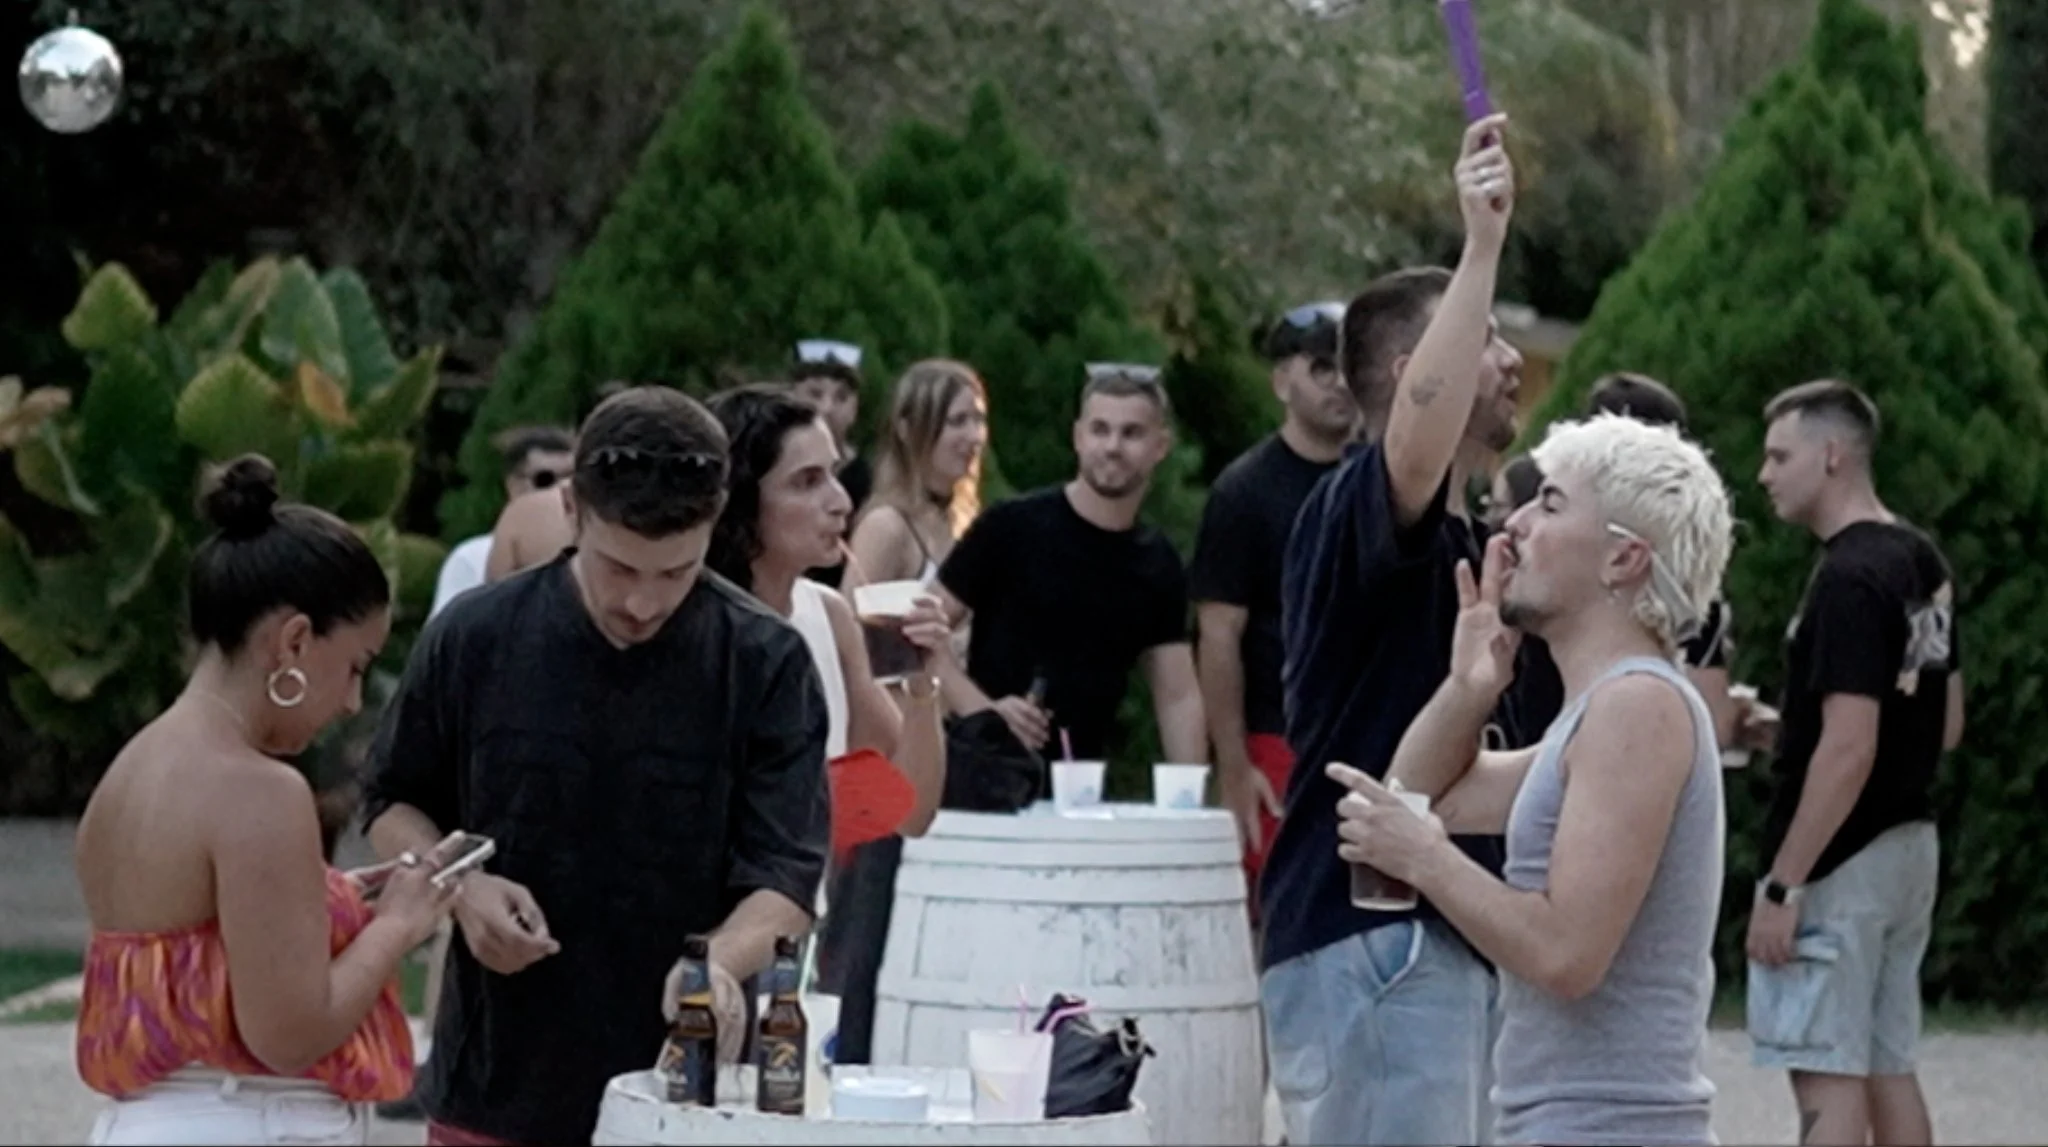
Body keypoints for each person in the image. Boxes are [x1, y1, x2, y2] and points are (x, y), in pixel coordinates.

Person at [360, 386, 831, 1147]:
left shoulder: (766, 659)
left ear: (714, 526)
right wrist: (461, 886)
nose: (643, 603)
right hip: (494, 1086)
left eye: (676, 572)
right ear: (572, 508)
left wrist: (715, 962)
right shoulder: (475, 637)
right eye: (619, 568)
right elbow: (390, 802)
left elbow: (786, 875)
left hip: (683, 1097)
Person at [1330, 412, 1734, 1146]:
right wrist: (1468, 686)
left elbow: (1566, 954)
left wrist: (1423, 855)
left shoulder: (1635, 707)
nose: (1512, 523)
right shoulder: (1600, 714)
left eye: (1549, 504)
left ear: (1623, 560)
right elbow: (1423, 797)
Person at [1259, 113, 1538, 1147]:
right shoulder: (1360, 505)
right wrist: (1480, 243)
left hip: (1416, 936)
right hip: (1368, 936)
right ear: (1426, 362)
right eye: (1488, 335)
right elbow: (1416, 428)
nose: (1510, 359)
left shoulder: (1463, 532)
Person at [73, 455, 460, 1146]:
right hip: (250, 1120)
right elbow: (289, 1031)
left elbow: (203, 950)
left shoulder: (132, 772)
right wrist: (400, 924)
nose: (348, 701)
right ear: (295, 639)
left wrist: (338, 902)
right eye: (354, 667)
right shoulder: (260, 788)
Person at [1747, 380, 1962, 1147]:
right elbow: (1944, 722)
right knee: (1886, 1063)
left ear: (1832, 454)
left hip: (1841, 859)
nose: (1764, 473)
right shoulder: (1919, 559)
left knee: (1827, 1071)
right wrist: (1787, 730)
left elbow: (1851, 745)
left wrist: (1783, 882)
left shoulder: (1846, 576)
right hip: (1909, 848)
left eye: (1779, 454)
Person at [934, 362, 1206, 767]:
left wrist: (1189, 802)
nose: (1112, 446)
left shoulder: (1158, 562)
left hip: (1081, 790)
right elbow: (917, 636)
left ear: (1160, 446)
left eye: (1131, 433)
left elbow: (1177, 695)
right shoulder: (1011, 527)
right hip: (985, 776)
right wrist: (983, 711)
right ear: (1078, 436)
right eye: (1100, 430)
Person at [704, 382, 951, 829]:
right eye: (807, 482)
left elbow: (907, 811)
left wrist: (922, 685)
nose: (841, 502)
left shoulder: (828, 615)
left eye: (835, 474)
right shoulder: (694, 622)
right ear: (742, 499)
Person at [1190, 300, 1357, 921]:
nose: (1341, 381)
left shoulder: (1385, 480)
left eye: (1349, 364)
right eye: (1321, 366)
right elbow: (1217, 633)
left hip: (1367, 737)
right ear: (1282, 381)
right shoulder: (1244, 491)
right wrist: (1234, 766)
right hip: (1276, 740)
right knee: (1278, 919)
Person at [844, 359, 988, 596]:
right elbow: (847, 624)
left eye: (979, 420)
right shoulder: (887, 527)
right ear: (907, 430)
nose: (974, 437)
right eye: (957, 421)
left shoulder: (966, 524)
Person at [431, 427, 574, 618]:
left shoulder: (598, 554)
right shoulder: (472, 558)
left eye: (573, 479)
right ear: (513, 485)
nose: (560, 490)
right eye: (545, 480)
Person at [792, 338, 873, 517]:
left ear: (855, 408)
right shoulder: (771, 467)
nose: (826, 408)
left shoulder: (871, 481)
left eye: (841, 397)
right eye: (815, 394)